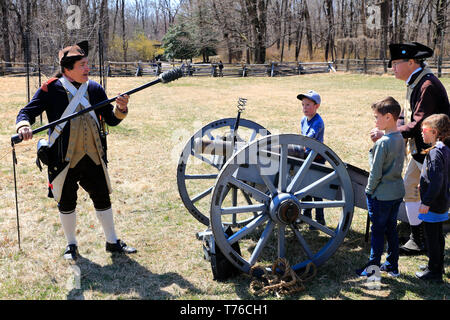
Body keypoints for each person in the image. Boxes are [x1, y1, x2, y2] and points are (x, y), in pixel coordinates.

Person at [15, 41, 137, 260]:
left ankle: (112, 241)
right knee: (66, 201)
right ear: (67, 68)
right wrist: (24, 126)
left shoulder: (95, 89)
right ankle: (71, 245)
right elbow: (26, 112)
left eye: (87, 63)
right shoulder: (50, 89)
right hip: (63, 158)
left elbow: (111, 119)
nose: (87, 68)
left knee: (102, 198)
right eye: (82, 65)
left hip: (94, 154)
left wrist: (121, 108)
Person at [370, 42, 450, 255]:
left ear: (411, 62)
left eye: (396, 63)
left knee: (426, 193)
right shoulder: (416, 82)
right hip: (422, 150)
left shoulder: (427, 85)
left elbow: (419, 123)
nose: (393, 68)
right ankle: (419, 237)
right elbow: (408, 116)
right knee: (411, 189)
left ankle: (425, 241)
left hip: (433, 152)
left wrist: (391, 134)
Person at [357, 97, 405, 277]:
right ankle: (393, 266)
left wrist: (369, 191)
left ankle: (373, 270)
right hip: (396, 192)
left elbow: (375, 173)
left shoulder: (383, 142)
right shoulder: (399, 137)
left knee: (377, 233)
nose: (375, 121)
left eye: (377, 117)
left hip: (381, 195)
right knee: (391, 229)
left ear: (389, 117)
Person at [415, 114, 450, 282]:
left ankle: (434, 273)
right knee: (437, 236)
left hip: (434, 203)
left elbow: (437, 181)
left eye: (424, 130)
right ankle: (435, 265)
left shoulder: (435, 153)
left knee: (432, 238)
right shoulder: (444, 149)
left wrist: (426, 201)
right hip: (442, 200)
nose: (422, 133)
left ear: (434, 132)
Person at [297, 90, 325, 228]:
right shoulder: (303, 120)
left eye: (308, 105)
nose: (305, 108)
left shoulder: (318, 122)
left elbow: (309, 138)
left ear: (317, 106)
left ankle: (320, 219)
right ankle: (306, 215)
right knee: (304, 188)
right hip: (305, 157)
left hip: (316, 159)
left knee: (316, 191)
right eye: (303, 105)